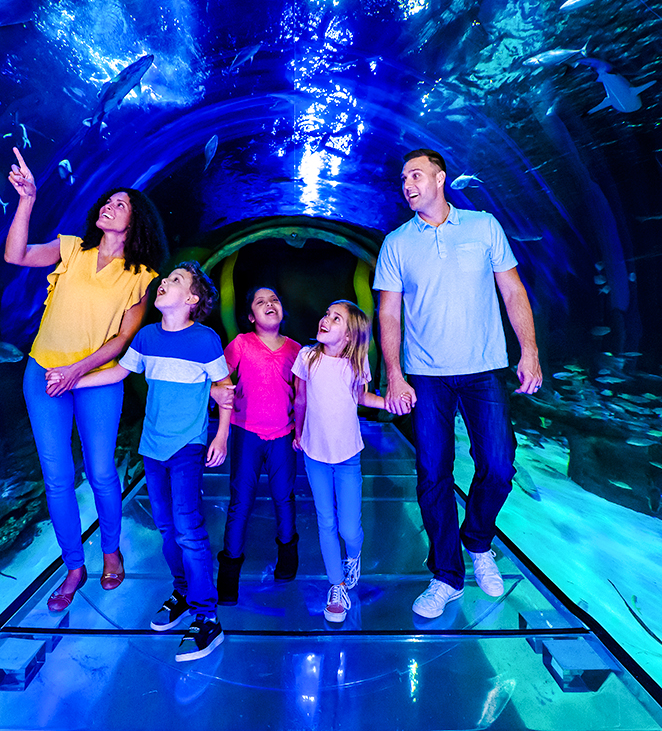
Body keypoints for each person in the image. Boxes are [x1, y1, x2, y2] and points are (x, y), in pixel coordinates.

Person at [373, 148, 542, 620]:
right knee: (433, 475)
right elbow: (389, 312)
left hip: (485, 368)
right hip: (427, 376)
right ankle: (446, 574)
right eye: (403, 177)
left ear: (441, 178)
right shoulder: (396, 243)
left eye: (417, 175)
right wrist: (394, 375)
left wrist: (528, 351)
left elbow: (512, 289)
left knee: (500, 465)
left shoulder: (484, 226)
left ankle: (479, 541)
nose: (407, 184)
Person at [3, 146, 166, 612]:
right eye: (108, 201)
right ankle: (74, 566)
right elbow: (16, 255)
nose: (109, 206)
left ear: (134, 224)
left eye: (121, 204)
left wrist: (76, 371)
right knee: (56, 478)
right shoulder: (71, 248)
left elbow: (120, 342)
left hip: (93, 380)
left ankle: (110, 549)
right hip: (43, 376)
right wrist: (27, 200)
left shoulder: (142, 277)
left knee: (100, 471)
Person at [55, 261, 233, 661]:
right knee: (167, 527)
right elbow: (119, 371)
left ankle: (208, 618)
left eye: (175, 281)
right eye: (166, 278)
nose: (164, 283)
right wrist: (73, 379)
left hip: (187, 445)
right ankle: (184, 593)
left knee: (188, 528)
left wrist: (221, 435)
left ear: (191, 299)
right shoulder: (148, 336)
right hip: (152, 448)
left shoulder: (206, 340)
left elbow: (224, 390)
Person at [293, 300, 388, 623]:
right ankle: (336, 585)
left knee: (349, 527)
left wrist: (388, 402)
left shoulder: (356, 364)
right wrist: (297, 432)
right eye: (326, 313)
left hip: (348, 455)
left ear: (349, 336)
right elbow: (301, 397)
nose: (326, 319)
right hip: (314, 453)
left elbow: (361, 397)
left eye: (336, 318)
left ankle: (354, 555)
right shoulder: (307, 357)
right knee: (325, 520)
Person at [216, 286, 302, 604]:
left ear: (282, 312)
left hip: (283, 435)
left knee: (284, 498)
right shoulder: (241, 344)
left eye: (275, 300)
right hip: (246, 433)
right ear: (251, 316)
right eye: (260, 301)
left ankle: (288, 559)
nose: (269, 304)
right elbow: (220, 377)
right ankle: (228, 576)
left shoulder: (296, 350)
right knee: (240, 502)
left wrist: (302, 432)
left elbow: (303, 396)